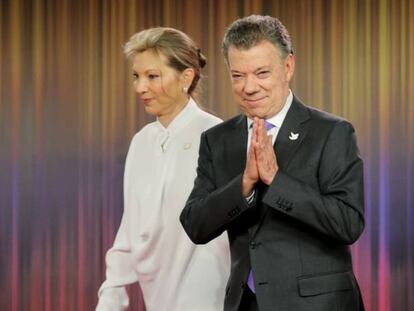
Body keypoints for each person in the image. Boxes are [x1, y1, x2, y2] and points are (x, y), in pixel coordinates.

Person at [180, 15, 365, 311]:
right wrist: (243, 186)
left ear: (288, 66)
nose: (249, 87)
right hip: (247, 303)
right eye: (237, 75)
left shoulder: (332, 132)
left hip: (319, 304)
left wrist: (277, 180)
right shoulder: (217, 140)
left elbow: (348, 223)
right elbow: (195, 224)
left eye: (262, 73)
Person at [96, 27, 230, 311]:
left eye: (152, 76)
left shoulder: (217, 135)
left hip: (211, 298)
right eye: (136, 76)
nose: (140, 87)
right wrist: (110, 299)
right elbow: (130, 228)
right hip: (157, 298)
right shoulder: (142, 142)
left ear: (186, 77)